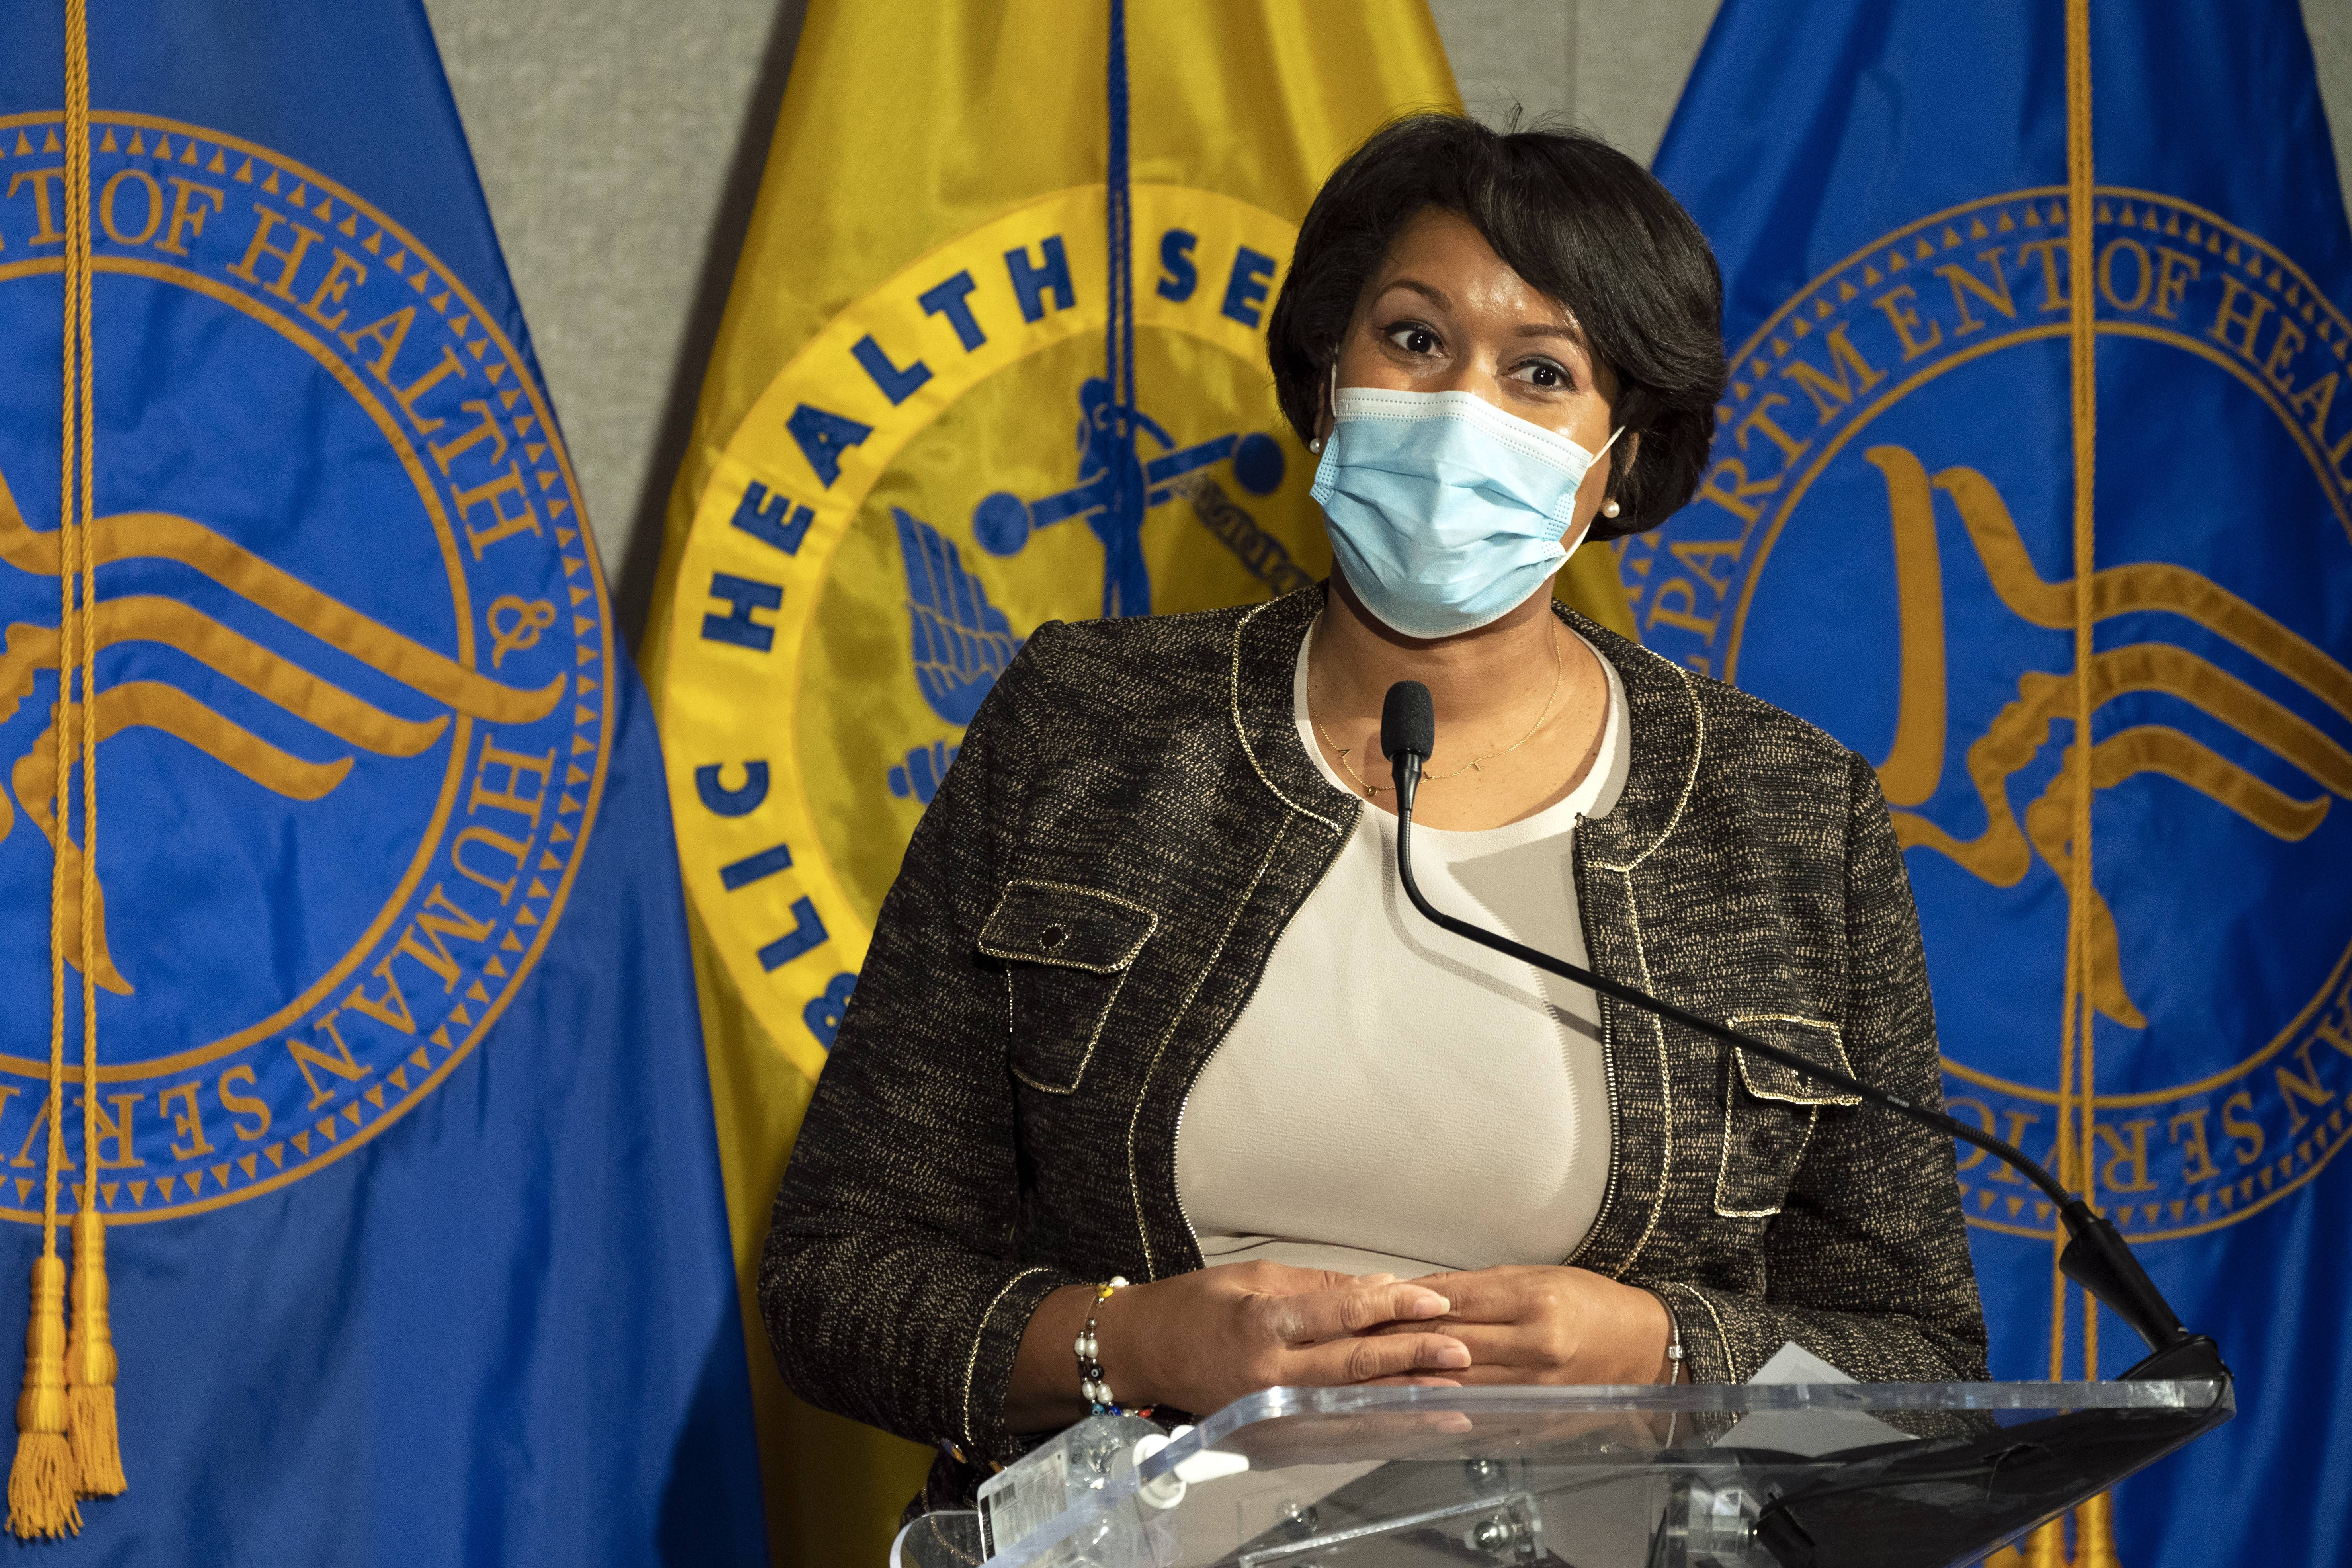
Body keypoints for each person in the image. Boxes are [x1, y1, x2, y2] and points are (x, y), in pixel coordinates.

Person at [763, 113, 1988, 1513]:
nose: (1462, 410)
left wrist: (1660, 1356)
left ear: (1624, 457)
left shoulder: (1785, 814)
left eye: (1541, 373)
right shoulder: (1084, 726)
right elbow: (836, 1282)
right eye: (1414, 340)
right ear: (1327, 380)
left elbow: (1913, 1381)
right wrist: (1140, 1342)